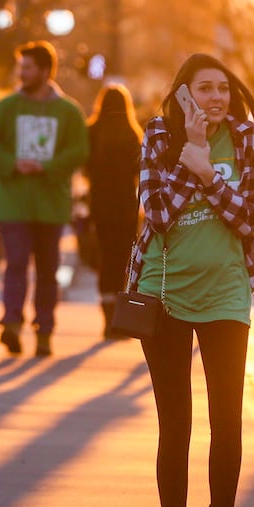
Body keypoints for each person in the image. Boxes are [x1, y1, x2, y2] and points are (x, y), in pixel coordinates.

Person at [126, 52, 254, 507]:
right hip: (164, 294)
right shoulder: (159, 137)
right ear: (184, 93)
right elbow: (158, 214)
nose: (216, 98)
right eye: (204, 89)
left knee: (227, 422)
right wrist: (193, 154)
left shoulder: (249, 140)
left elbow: (250, 216)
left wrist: (207, 170)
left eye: (223, 90)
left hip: (227, 292)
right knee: (176, 425)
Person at [0, 41, 89, 357]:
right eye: (20, 67)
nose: (21, 73)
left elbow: (78, 150)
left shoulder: (68, 111)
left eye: (26, 67)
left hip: (50, 205)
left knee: (47, 269)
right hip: (13, 202)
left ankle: (44, 329)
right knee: (14, 264)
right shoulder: (5, 108)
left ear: (43, 70)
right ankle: (11, 323)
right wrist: (12, 163)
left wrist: (48, 167)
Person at [85, 83, 143, 339]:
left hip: (100, 205)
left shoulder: (91, 132)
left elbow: (85, 168)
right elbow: (139, 173)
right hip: (126, 207)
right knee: (123, 262)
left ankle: (106, 318)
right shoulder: (132, 134)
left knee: (105, 261)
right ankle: (120, 319)